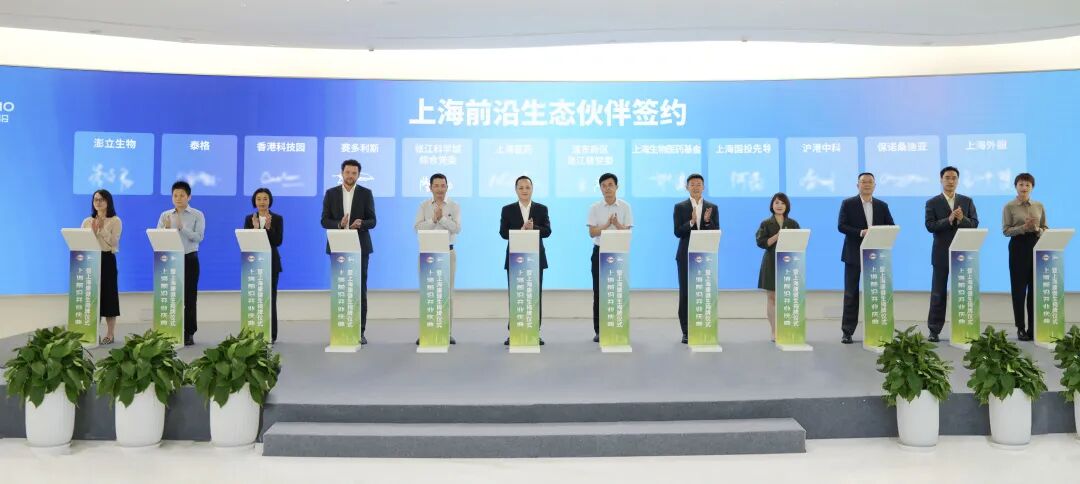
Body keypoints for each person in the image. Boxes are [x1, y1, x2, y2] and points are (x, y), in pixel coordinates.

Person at [321, 159, 376, 345]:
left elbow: (373, 221)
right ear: (342, 173)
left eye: (354, 173)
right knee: (341, 290)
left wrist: (361, 223)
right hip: (338, 246)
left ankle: (359, 331)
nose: (350, 176)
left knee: (359, 289)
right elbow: (324, 220)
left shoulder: (366, 193)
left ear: (358, 175)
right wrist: (340, 224)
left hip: (360, 247)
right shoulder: (331, 193)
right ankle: (340, 329)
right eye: (347, 172)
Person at [837, 172, 894, 344]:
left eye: (870, 182)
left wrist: (880, 233)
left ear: (874, 186)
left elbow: (891, 226)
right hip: (853, 254)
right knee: (851, 294)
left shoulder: (882, 205)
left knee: (876, 293)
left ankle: (877, 330)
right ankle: (847, 332)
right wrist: (861, 232)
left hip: (876, 255)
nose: (867, 184)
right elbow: (841, 226)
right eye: (863, 182)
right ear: (858, 185)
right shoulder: (848, 203)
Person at [924, 166, 978, 342]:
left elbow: (974, 225)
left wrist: (962, 219)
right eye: (947, 177)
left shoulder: (967, 201)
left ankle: (964, 329)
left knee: (963, 293)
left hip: (963, 254)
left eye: (954, 178)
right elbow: (930, 226)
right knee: (938, 293)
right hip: (941, 254)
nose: (950, 181)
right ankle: (934, 330)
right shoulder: (932, 202)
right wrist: (949, 220)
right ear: (941, 180)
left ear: (958, 180)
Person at [500, 175, 551, 345]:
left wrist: (533, 228)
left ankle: (534, 332)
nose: (524, 190)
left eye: (527, 187)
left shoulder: (541, 209)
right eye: (521, 188)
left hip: (536, 258)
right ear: (516, 190)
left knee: (535, 295)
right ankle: (514, 332)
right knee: (516, 296)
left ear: (532, 189)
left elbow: (547, 231)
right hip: (515, 258)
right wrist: (521, 229)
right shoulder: (507, 209)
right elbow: (503, 233)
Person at [157, 181, 205, 346]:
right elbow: (158, 237)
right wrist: (166, 229)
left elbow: (199, 237)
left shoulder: (197, 215)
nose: (178, 198)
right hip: (170, 260)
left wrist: (181, 228)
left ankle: (189, 332)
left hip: (189, 258)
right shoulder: (165, 215)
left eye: (182, 195)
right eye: (175, 195)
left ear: (189, 197)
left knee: (189, 298)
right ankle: (170, 330)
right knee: (171, 296)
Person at [413, 173, 460, 345]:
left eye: (443, 185)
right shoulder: (424, 206)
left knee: (447, 294)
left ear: (447, 187)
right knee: (428, 293)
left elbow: (457, 228)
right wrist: (433, 220)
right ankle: (426, 331)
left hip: (448, 253)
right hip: (427, 254)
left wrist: (442, 219)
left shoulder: (454, 206)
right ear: (430, 187)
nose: (440, 189)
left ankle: (446, 332)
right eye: (436, 186)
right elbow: (417, 228)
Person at [587, 173, 633, 343]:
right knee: (599, 292)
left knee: (618, 292)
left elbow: (628, 231)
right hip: (600, 251)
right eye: (604, 186)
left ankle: (619, 327)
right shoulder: (594, 207)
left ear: (616, 187)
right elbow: (592, 232)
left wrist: (617, 224)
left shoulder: (625, 207)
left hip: (619, 252)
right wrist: (607, 225)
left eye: (610, 185)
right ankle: (600, 330)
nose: (607, 188)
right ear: (600, 188)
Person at [673, 174, 719, 344]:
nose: (695, 187)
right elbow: (677, 232)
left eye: (699, 184)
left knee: (705, 292)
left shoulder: (712, 207)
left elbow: (716, 230)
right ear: (687, 187)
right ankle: (686, 331)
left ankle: (705, 327)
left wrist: (706, 221)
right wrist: (691, 222)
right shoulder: (680, 207)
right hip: (685, 254)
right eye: (692, 184)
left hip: (706, 254)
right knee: (686, 292)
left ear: (703, 187)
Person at [1002, 172, 1047, 341]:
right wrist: (1023, 228)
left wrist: (1036, 229)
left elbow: (1045, 228)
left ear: (1032, 187)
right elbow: (1006, 231)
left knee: (1035, 289)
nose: (1024, 187)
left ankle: (1033, 328)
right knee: (1019, 290)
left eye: (1027, 185)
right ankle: (1020, 328)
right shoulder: (1009, 206)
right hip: (1018, 247)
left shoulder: (1039, 206)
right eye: (1021, 184)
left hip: (1036, 246)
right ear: (1016, 186)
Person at [755, 192, 800, 342]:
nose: (779, 205)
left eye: (782, 203)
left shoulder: (793, 224)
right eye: (776, 203)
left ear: (787, 206)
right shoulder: (766, 223)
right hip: (771, 262)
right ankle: (774, 331)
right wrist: (778, 235)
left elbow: (799, 242)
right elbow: (761, 243)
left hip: (789, 263)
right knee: (772, 297)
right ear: (772, 205)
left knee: (787, 297)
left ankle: (787, 328)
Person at [82, 189, 122, 345]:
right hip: (89, 260)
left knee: (109, 297)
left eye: (101, 199)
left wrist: (102, 229)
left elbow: (114, 243)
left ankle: (110, 334)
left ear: (108, 202)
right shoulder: (87, 221)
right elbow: (82, 242)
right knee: (91, 297)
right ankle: (93, 332)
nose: (98, 202)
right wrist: (92, 232)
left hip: (107, 260)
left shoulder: (115, 220)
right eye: (95, 199)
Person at [243, 188, 284, 343]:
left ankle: (271, 334)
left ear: (270, 201)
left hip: (271, 263)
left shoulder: (277, 218)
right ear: (254, 201)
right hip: (253, 264)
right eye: (259, 199)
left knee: (270, 299)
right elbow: (248, 242)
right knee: (255, 298)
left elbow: (278, 241)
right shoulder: (249, 219)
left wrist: (268, 228)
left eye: (265, 198)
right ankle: (254, 332)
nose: (262, 202)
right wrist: (255, 229)